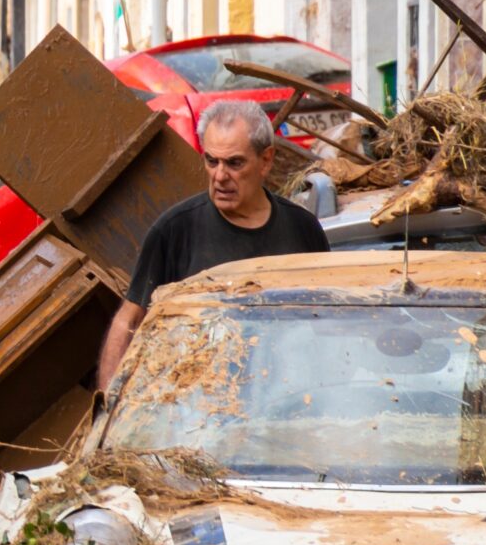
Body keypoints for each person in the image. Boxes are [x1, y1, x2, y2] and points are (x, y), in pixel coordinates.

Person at [95, 101, 328, 390]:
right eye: (211, 161)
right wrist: (107, 406)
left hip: (285, 402)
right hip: (199, 413)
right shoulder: (174, 231)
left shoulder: (303, 230)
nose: (219, 176)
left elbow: (324, 326)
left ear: (266, 160)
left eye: (234, 163)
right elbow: (128, 320)